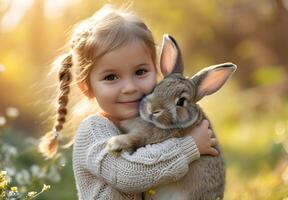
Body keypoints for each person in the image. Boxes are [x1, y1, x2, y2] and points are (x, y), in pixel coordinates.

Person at [38, 4, 218, 200]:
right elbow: (128, 175)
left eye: (140, 72)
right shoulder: (93, 130)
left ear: (157, 72)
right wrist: (190, 146)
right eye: (111, 77)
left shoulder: (152, 126)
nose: (130, 87)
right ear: (86, 87)